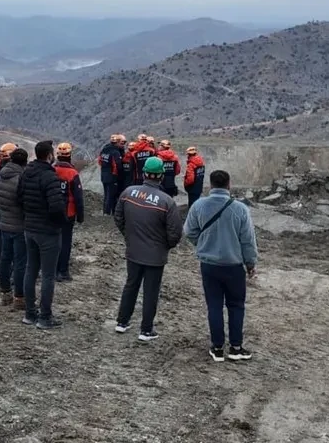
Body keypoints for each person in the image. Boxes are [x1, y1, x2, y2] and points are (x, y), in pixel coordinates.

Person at [184, 169, 257, 362]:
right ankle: (236, 347)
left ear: (210, 185)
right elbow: (248, 240)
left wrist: (203, 244)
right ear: (229, 184)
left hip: (209, 265)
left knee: (214, 306)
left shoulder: (199, 205)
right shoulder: (240, 209)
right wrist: (250, 263)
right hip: (234, 266)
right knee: (236, 306)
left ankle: (217, 348)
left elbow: (189, 231)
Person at [113, 156, 184, 341]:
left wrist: (129, 237)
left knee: (131, 285)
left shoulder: (128, 193)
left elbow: (118, 217)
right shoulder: (166, 201)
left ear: (144, 173)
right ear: (161, 176)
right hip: (155, 255)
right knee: (151, 291)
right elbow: (175, 232)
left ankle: (122, 322)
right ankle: (145, 330)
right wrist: (165, 245)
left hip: (133, 250)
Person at [17, 140, 67, 329]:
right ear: (49, 155)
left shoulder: (26, 173)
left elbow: (19, 198)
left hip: (29, 228)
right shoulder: (49, 176)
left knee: (31, 269)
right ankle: (45, 317)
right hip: (47, 231)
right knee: (47, 275)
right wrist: (60, 223)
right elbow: (56, 206)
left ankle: (30, 314)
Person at [0, 147, 28, 309]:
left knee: (4, 259)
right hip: (20, 226)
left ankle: (5, 292)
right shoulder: (21, 179)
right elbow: (25, 204)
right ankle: (19, 298)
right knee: (20, 262)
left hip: (4, 224)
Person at [53, 142, 85, 282]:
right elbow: (78, 197)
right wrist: (80, 215)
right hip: (68, 213)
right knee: (65, 242)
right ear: (70, 156)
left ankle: (52, 269)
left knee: (53, 242)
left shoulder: (51, 170)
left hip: (52, 212)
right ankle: (63, 271)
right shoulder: (72, 173)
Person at [98, 134, 125, 216]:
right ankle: (109, 213)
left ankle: (105, 211)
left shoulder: (105, 149)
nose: (123, 145)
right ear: (117, 142)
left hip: (104, 175)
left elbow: (100, 161)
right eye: (122, 143)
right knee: (111, 195)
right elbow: (118, 166)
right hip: (112, 177)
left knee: (106, 195)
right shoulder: (115, 152)